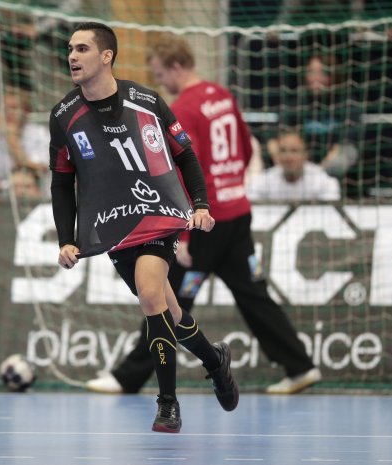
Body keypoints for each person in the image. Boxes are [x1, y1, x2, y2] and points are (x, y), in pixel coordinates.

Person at [86, 34, 321, 396]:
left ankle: (128, 378)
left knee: (162, 298)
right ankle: (300, 366)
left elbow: (183, 169)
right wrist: (229, 188)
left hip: (205, 224)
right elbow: (245, 150)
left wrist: (184, 233)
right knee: (254, 295)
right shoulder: (222, 95)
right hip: (237, 214)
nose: (160, 81)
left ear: (176, 67)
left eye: (161, 74)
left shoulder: (185, 108)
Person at [49, 22, 238, 434]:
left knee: (151, 296)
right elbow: (62, 181)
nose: (72, 56)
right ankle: (214, 360)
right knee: (169, 311)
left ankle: (167, 404)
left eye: (82, 48)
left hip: (156, 213)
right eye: (69, 49)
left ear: (106, 56)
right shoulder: (64, 116)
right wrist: (66, 237)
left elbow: (185, 154)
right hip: (112, 224)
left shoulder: (146, 101)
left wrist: (200, 206)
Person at [267, 53, 360, 178]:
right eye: (311, 72)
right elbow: (276, 136)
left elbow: (348, 141)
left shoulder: (347, 103)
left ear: (332, 75)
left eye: (320, 73)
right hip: (300, 163)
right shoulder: (297, 103)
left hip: (330, 164)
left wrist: (320, 171)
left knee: (346, 153)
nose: (315, 78)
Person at [248, 130, 341, 201]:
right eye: (283, 151)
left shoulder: (321, 179)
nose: (288, 157)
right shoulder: (264, 180)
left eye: (294, 151)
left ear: (305, 154)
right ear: (278, 155)